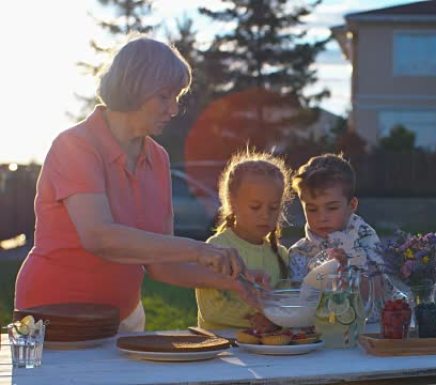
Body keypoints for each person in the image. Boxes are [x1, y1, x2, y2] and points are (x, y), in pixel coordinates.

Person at [14, 36, 258, 332]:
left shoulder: (158, 158)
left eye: (177, 97)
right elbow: (99, 237)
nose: (174, 109)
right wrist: (198, 249)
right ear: (134, 88)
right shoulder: (75, 146)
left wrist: (234, 281)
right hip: (54, 317)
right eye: (165, 96)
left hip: (124, 317)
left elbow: (161, 264)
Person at [288, 153, 392, 321]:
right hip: (321, 333)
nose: (322, 217)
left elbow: (379, 289)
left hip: (368, 331)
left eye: (332, 208)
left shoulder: (365, 238)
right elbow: (299, 302)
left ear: (351, 205)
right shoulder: (300, 253)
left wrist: (349, 269)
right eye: (312, 209)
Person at [195, 150, 292, 330]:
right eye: (255, 207)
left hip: (269, 352)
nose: (265, 215)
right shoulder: (217, 249)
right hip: (222, 350)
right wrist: (257, 318)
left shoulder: (281, 255)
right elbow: (212, 308)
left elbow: (285, 300)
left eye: (274, 207)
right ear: (232, 203)